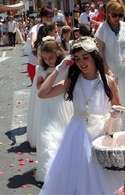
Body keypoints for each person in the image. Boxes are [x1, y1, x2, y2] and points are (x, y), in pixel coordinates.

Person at [38, 37, 125, 195]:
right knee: (78, 175)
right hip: (77, 134)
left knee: (102, 176)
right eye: (77, 59)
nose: (82, 62)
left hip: (101, 134)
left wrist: (115, 113)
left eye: (86, 57)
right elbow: (43, 93)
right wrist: (58, 69)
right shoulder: (71, 81)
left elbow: (118, 106)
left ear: (95, 57)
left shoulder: (108, 82)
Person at [35, 37, 73, 182]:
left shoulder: (66, 66)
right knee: (48, 137)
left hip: (63, 105)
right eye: (45, 58)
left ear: (58, 53)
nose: (48, 61)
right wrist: (46, 86)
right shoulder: (41, 69)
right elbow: (38, 85)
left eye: (50, 57)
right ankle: (50, 173)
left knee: (62, 136)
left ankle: (63, 168)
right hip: (47, 106)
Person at [95, 0, 125, 131]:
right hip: (109, 70)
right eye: (115, 15)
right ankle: (111, 131)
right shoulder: (102, 28)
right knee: (110, 103)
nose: (118, 18)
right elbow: (99, 51)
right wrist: (106, 70)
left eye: (121, 15)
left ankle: (124, 131)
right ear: (108, 14)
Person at [27, 22, 57, 148]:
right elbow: (39, 84)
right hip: (45, 90)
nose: (56, 33)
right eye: (55, 31)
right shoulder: (42, 65)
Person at [27, 6, 54, 83]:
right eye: (46, 17)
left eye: (51, 16)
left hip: (50, 65)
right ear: (41, 17)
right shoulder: (36, 28)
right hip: (35, 65)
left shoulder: (53, 28)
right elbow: (33, 43)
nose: (49, 19)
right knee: (38, 91)